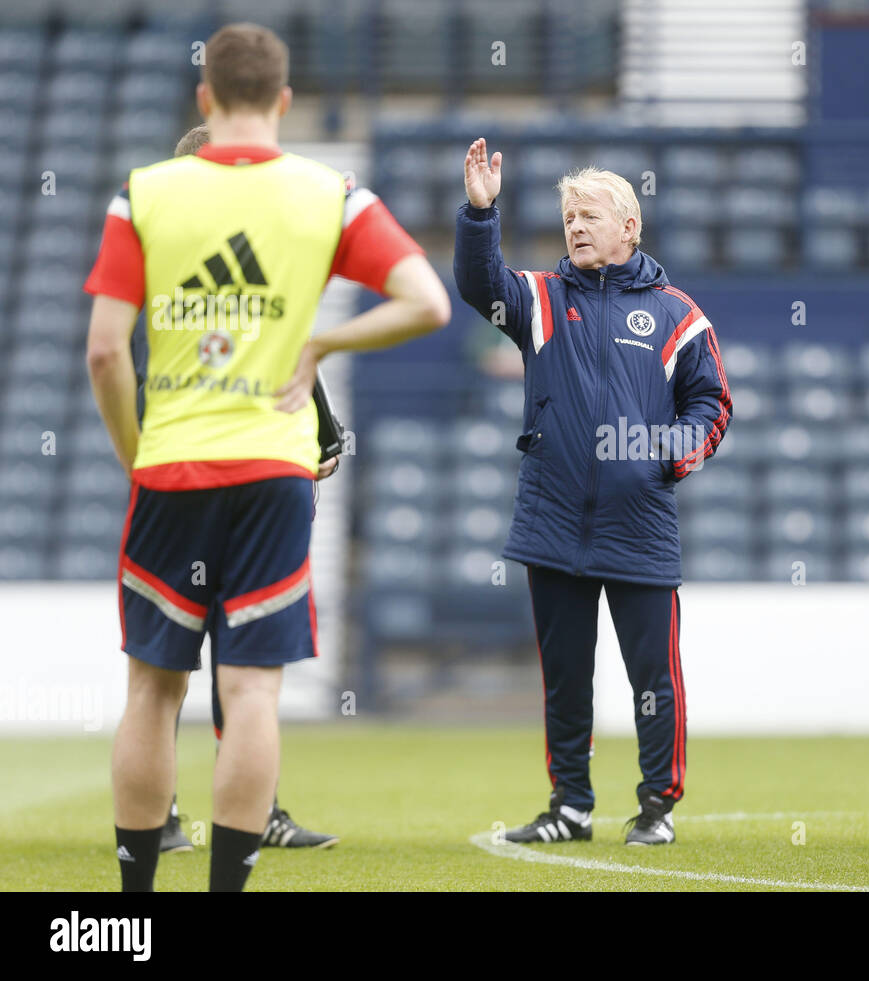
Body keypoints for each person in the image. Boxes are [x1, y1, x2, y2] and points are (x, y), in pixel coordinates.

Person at [85, 22, 450, 891]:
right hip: (275, 469)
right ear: (285, 101)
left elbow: (105, 352)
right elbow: (427, 302)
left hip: (171, 465)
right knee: (250, 693)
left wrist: (138, 453)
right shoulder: (330, 193)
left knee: (153, 691)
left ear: (204, 99)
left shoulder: (143, 195)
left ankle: (132, 907)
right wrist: (324, 344)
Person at [454, 140, 730, 845]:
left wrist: (668, 455)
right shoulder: (541, 300)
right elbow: (480, 288)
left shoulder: (678, 315)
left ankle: (657, 807)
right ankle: (569, 806)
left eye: (590, 215)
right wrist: (481, 213)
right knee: (566, 682)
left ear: (630, 227)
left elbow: (712, 405)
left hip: (639, 524)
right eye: (569, 216)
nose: (575, 226)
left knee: (652, 681)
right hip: (552, 523)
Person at [155, 123, 338, 855]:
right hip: (201, 473)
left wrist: (324, 429)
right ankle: (172, 815)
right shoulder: (172, 258)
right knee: (201, 666)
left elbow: (296, 350)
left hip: (222, 474)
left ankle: (223, 813)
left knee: (202, 661)